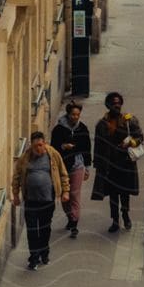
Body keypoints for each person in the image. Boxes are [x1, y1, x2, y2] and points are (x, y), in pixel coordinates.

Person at [9, 130, 69, 269]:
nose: (38, 149)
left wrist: (65, 191)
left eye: (41, 145)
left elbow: (63, 173)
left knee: (44, 228)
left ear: (45, 143)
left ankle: (44, 253)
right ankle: (33, 258)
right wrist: (16, 195)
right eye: (36, 146)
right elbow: (17, 176)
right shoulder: (26, 157)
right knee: (31, 230)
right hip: (30, 200)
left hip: (47, 200)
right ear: (31, 145)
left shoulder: (53, 155)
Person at [91, 90, 144, 231]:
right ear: (108, 105)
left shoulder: (129, 120)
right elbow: (98, 145)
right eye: (114, 103)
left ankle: (125, 215)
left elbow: (139, 137)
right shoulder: (102, 124)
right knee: (113, 195)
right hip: (110, 165)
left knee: (125, 193)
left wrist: (130, 143)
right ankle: (115, 220)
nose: (117, 106)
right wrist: (97, 164)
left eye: (119, 103)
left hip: (125, 163)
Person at [50, 100, 92, 239]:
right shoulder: (58, 130)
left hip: (77, 165)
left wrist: (87, 167)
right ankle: (70, 217)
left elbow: (87, 148)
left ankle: (74, 223)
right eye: (73, 114)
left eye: (77, 115)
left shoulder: (82, 129)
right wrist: (63, 147)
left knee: (74, 194)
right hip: (63, 167)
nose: (75, 117)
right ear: (68, 114)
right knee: (64, 196)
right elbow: (53, 148)